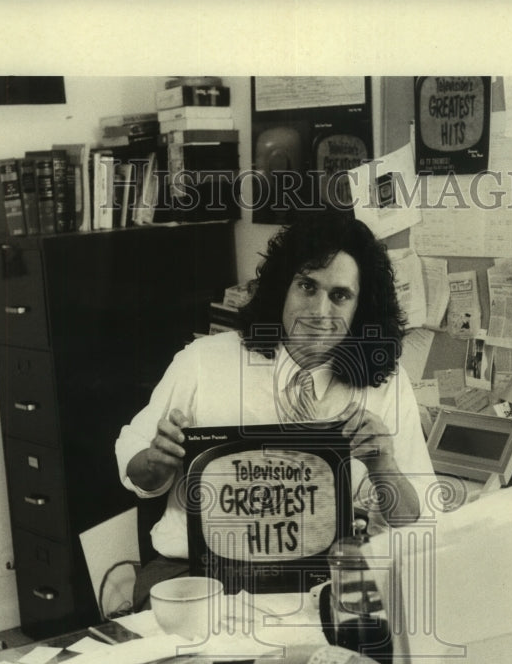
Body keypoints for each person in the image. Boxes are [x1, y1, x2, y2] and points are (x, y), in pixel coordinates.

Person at [115, 209, 435, 572]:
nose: (318, 311)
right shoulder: (202, 361)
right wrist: (155, 464)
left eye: (340, 295)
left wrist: (383, 466)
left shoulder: (388, 385)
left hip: (321, 577)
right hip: (198, 573)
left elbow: (418, 524)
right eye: (307, 286)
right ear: (283, 286)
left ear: (360, 310)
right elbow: (135, 463)